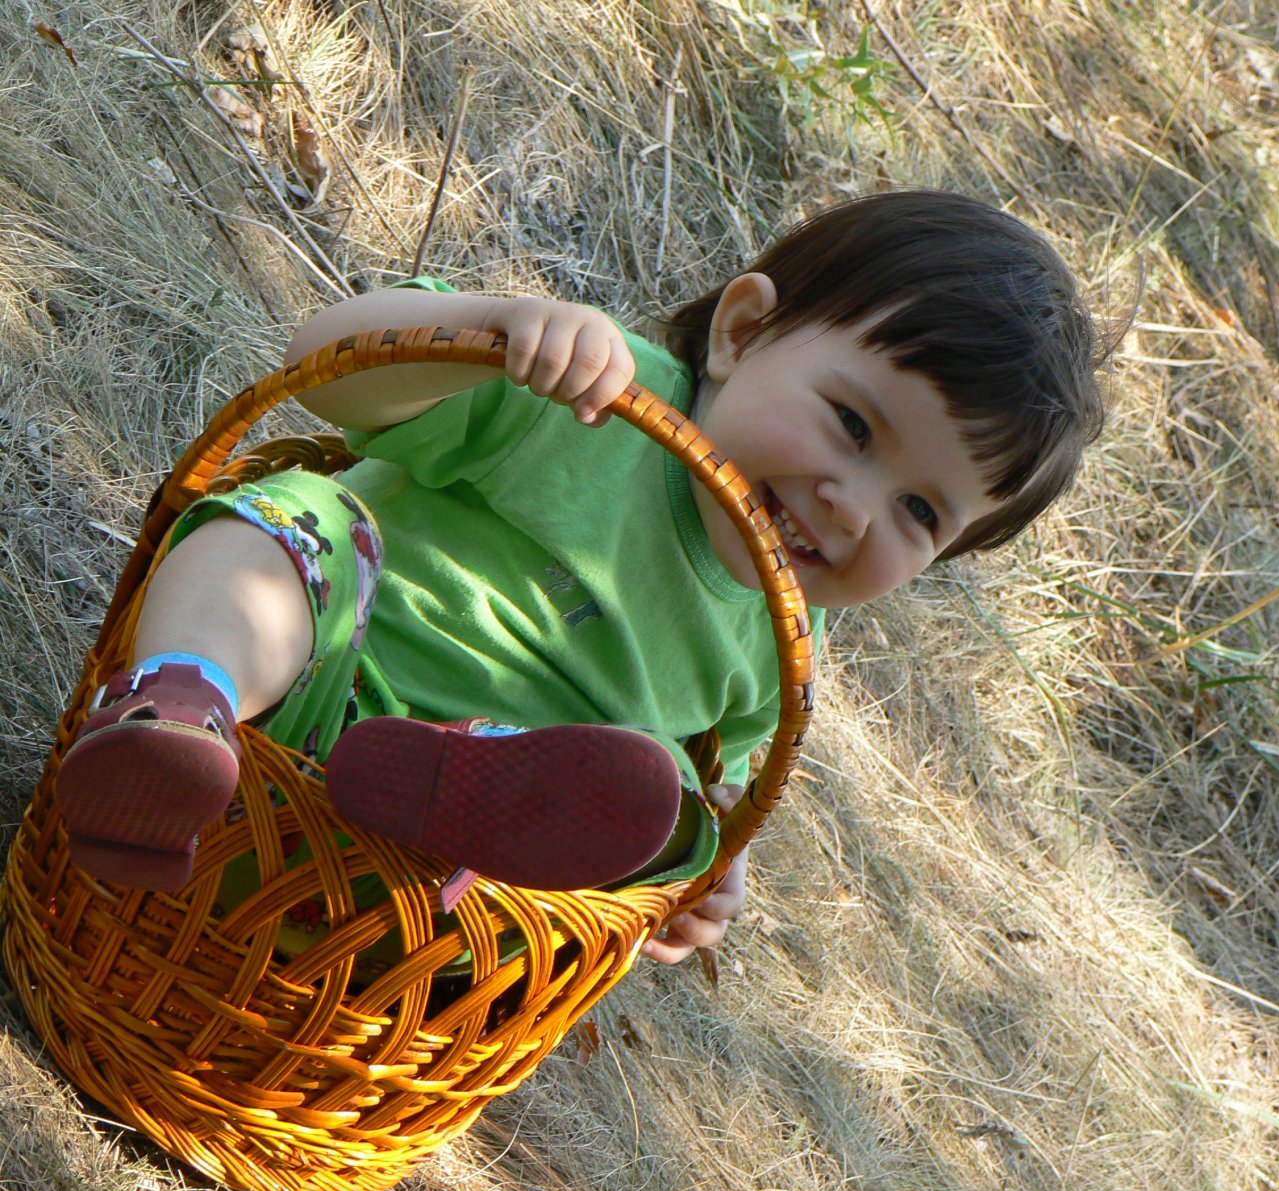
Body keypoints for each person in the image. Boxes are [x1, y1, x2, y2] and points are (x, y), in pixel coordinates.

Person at [52, 189, 1106, 968]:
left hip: (421, 899)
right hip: (289, 707)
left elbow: (716, 786)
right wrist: (491, 330)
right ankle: (175, 710)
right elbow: (329, 371)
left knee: (674, 809)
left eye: (920, 513)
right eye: (853, 425)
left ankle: (465, 782)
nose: (854, 506)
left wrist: (702, 872)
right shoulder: (592, 394)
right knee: (294, 525)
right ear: (742, 333)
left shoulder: (775, 648)